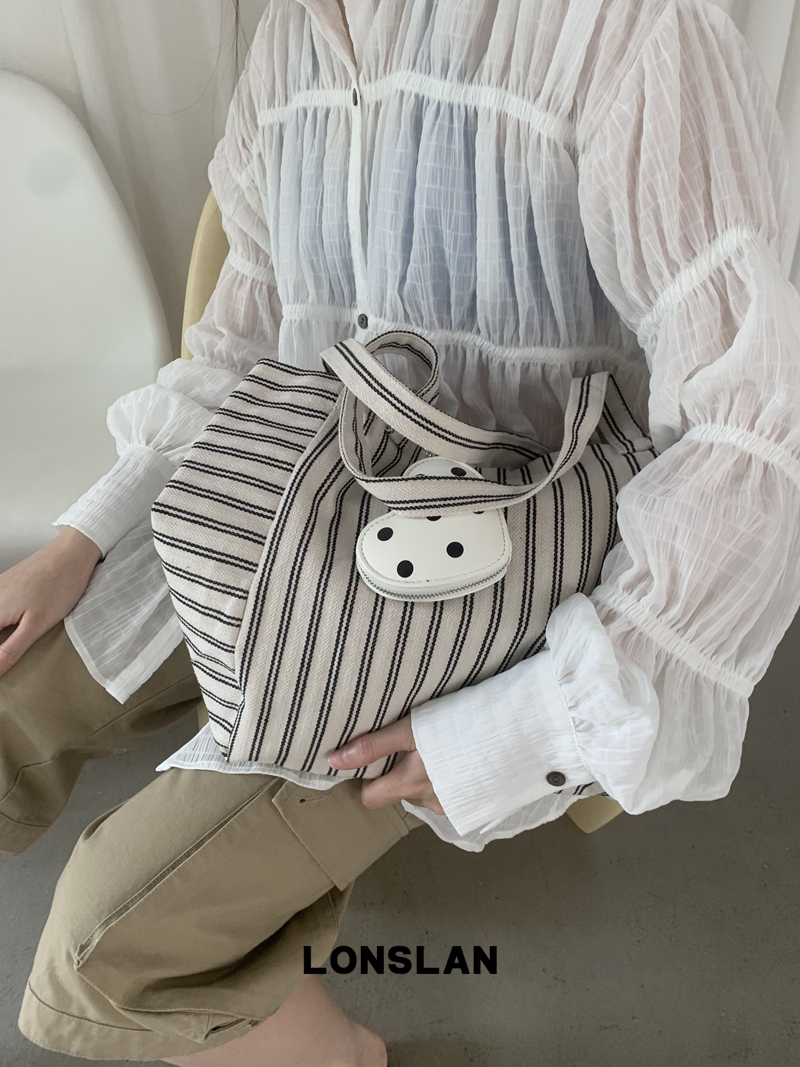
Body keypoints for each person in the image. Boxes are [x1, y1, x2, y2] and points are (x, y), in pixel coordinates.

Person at [2, 0, 799, 1063]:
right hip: (300, 488)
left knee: (104, 948)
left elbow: (755, 431)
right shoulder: (291, 40)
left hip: (496, 578)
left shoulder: (624, 31)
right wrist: (83, 540)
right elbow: (239, 344)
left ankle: (332, 1046)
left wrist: (516, 729)